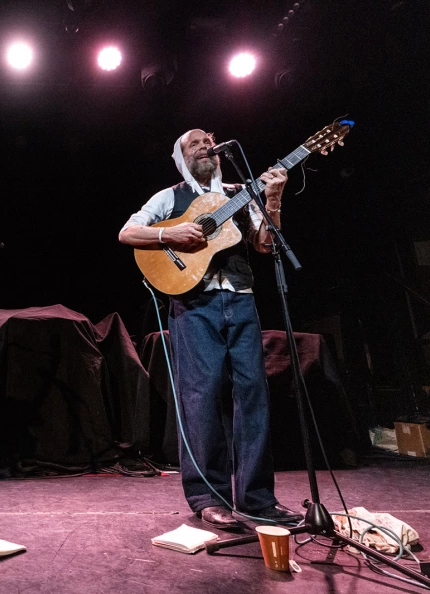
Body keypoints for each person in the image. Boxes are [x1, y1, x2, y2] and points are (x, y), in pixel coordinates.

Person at [118, 129, 302, 530]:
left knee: (253, 394)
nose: (205, 146)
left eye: (209, 141)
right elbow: (127, 232)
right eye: (194, 143)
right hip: (192, 303)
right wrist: (169, 232)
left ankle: (257, 499)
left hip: (241, 297)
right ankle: (208, 497)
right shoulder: (169, 196)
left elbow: (265, 245)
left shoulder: (242, 191)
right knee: (200, 399)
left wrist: (273, 198)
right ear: (181, 157)